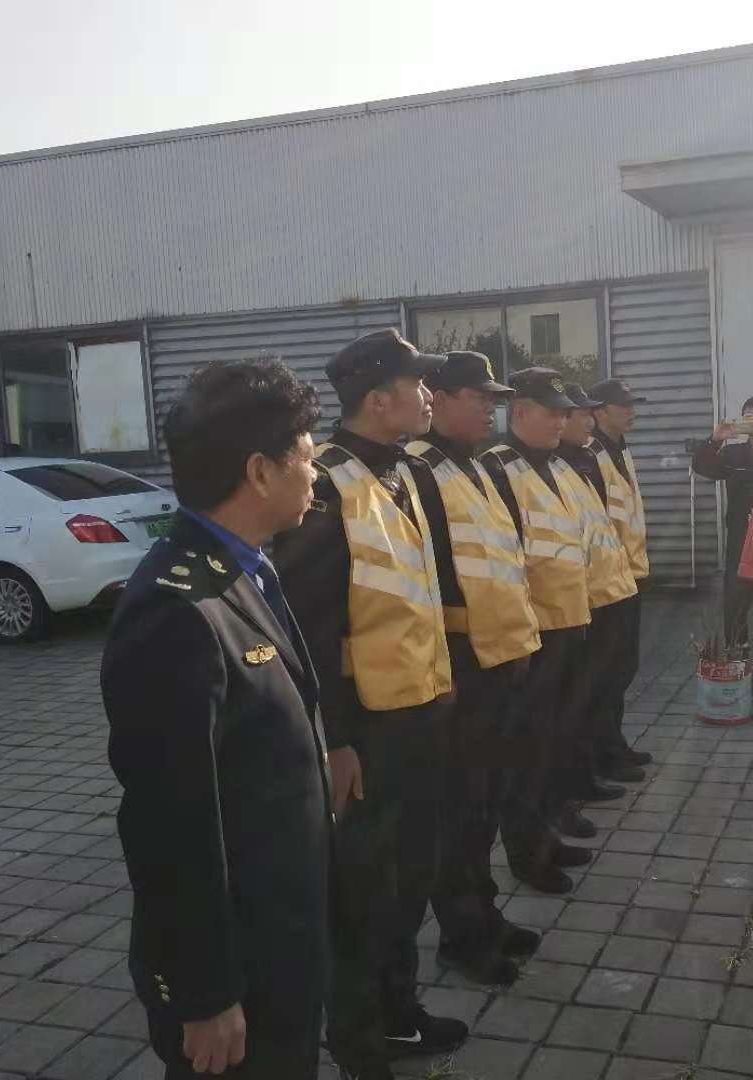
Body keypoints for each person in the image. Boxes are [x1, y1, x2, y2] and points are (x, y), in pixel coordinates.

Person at [102, 358, 333, 1079]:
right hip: (238, 975)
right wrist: (203, 994)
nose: (317, 473)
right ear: (260, 471)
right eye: (307, 456)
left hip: (280, 938)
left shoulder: (240, 567)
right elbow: (168, 825)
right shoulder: (176, 613)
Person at [270, 329, 467, 1078]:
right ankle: (357, 1043)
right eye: (419, 386)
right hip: (369, 733)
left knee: (410, 879)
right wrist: (337, 741)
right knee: (362, 894)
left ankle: (399, 1014)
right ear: (379, 400)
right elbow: (310, 629)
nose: (429, 397)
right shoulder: (325, 483)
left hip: (420, 713)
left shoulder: (401, 471)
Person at [405, 351, 544, 986]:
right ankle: (461, 936)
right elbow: (423, 580)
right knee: (458, 811)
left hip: (500, 657)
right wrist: (443, 670)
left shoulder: (477, 465)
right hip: (460, 666)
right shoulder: (418, 470)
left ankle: (484, 914)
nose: (490, 407)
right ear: (437, 398)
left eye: (493, 397)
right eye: (478, 396)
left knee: (484, 802)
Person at [480, 368, 607, 895]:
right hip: (533, 631)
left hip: (569, 621)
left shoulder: (554, 465)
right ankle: (526, 853)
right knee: (526, 750)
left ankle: (548, 835)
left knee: (553, 741)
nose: (561, 420)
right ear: (520, 412)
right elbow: (503, 556)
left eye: (564, 412)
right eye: (551, 412)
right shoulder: (497, 468)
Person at [553, 385, 640, 836]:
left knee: (615, 676)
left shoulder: (591, 457)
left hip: (617, 581)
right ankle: (587, 770)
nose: (585, 421)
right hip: (582, 599)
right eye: (579, 414)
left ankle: (603, 757)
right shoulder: (570, 461)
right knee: (586, 693)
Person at [692, 394, 753, 681]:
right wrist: (715, 439)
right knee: (735, 602)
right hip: (740, 537)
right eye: (749, 415)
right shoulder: (733, 453)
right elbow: (701, 466)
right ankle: (738, 659)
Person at [584, 378, 655, 773]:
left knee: (624, 668)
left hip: (630, 576)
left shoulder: (620, 450)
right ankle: (602, 754)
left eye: (632, 404)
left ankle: (614, 743)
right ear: (598, 411)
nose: (631, 411)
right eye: (622, 405)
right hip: (607, 582)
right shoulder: (591, 455)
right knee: (607, 672)